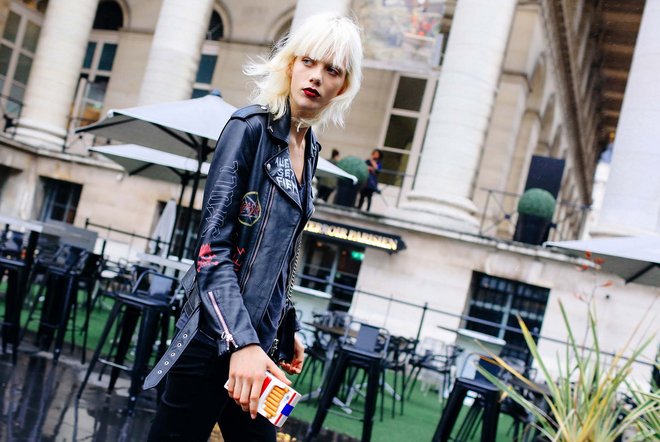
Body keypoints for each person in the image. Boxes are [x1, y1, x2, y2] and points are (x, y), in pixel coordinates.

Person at [144, 12, 363, 442]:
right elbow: (211, 252)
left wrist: (287, 323)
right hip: (211, 340)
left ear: (344, 84)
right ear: (290, 64)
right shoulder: (249, 129)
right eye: (308, 62)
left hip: (257, 348)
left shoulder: (310, 148)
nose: (316, 77)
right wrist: (240, 343)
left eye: (331, 69)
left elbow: (280, 253)